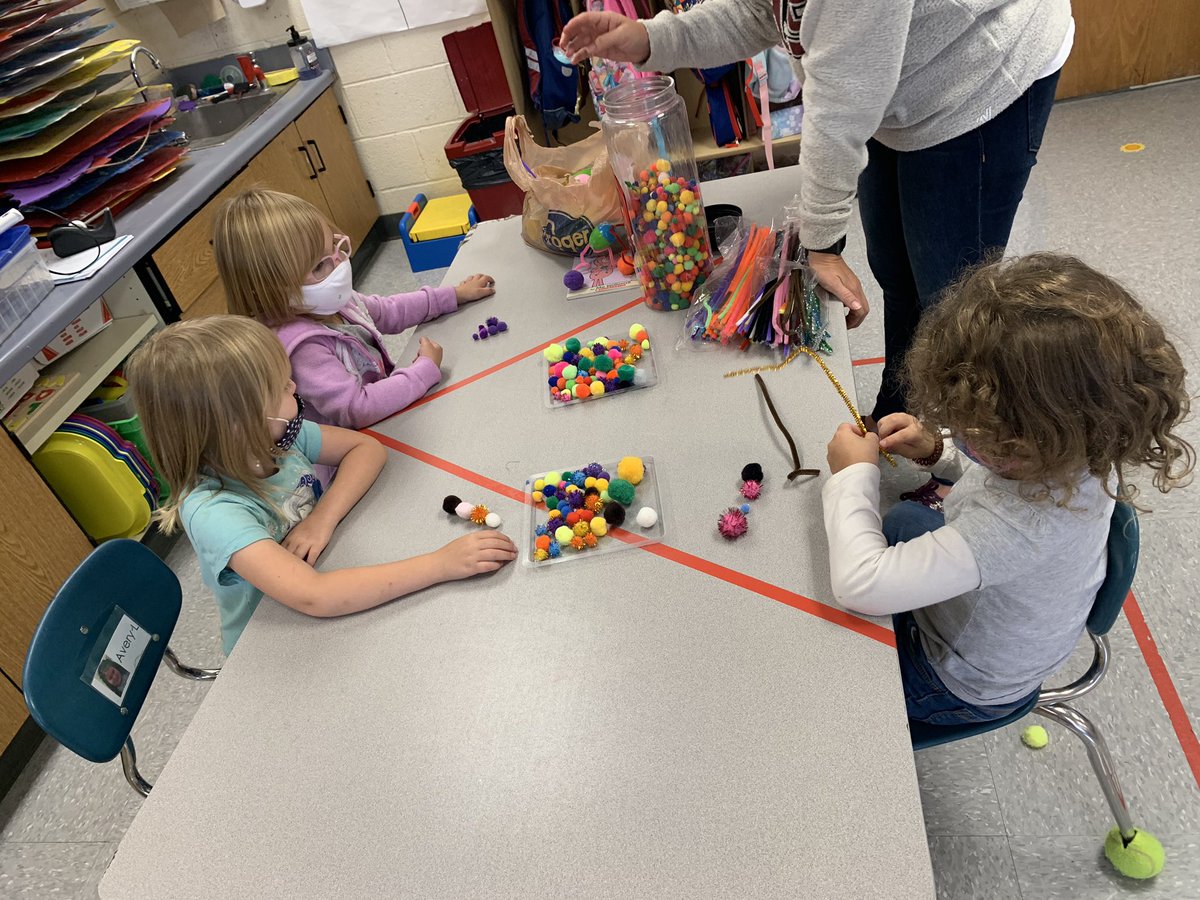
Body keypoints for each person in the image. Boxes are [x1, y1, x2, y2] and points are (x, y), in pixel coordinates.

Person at [562, 0, 1074, 423]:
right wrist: (652, 40)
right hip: (895, 88)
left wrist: (822, 241)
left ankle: (957, 458)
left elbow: (842, 102)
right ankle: (904, 415)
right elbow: (763, 12)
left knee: (955, 303)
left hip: (976, 84)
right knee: (899, 276)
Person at [820, 254, 1192, 723]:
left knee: (826, 684)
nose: (965, 436)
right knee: (905, 520)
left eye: (975, 433)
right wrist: (935, 449)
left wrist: (853, 476)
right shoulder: (1082, 444)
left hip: (958, 682)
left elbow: (860, 586)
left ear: (1021, 441)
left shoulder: (1021, 526)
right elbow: (987, 473)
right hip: (997, 623)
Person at [127, 316, 517, 655]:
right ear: (238, 422)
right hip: (278, 642)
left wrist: (321, 519)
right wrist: (439, 564)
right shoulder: (214, 510)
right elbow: (315, 596)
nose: (294, 385)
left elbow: (367, 449)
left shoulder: (275, 438)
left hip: (332, 585)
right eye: (281, 387)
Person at [213, 188, 496, 430]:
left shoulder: (330, 301)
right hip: (359, 446)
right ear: (269, 289)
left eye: (335, 249)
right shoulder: (302, 348)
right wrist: (423, 370)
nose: (338, 266)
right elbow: (356, 408)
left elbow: (387, 311)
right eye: (319, 266)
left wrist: (452, 295)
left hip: (389, 417)